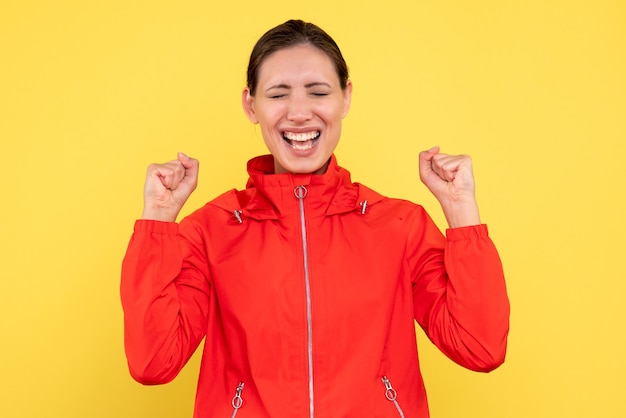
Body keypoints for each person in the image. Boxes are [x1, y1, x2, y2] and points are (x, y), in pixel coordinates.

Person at [121, 19, 509, 418]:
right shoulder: (211, 230)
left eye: (318, 92)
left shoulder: (399, 226)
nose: (300, 113)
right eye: (278, 94)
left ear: (345, 98)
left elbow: (479, 347)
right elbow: (154, 362)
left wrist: (462, 211)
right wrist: (158, 220)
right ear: (251, 105)